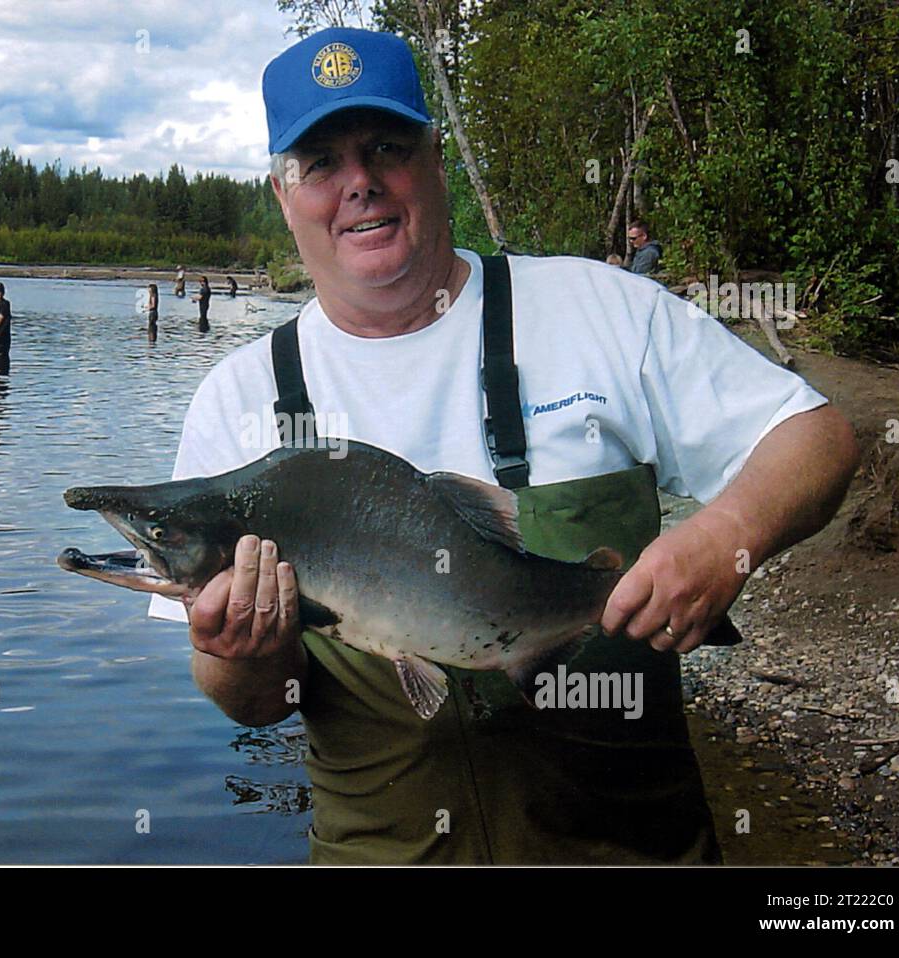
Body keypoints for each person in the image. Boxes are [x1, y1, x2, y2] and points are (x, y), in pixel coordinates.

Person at [147, 26, 858, 865]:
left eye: (385, 147)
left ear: (435, 157)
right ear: (282, 193)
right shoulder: (237, 400)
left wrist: (724, 538)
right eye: (321, 164)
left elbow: (818, 437)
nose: (360, 184)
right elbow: (253, 704)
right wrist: (237, 656)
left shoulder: (598, 310)